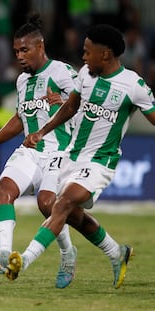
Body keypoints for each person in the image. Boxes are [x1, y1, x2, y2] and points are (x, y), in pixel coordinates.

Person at [10, 24, 155, 289]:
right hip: (70, 155)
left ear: (106, 54)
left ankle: (24, 259)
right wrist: (42, 131)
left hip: (100, 161)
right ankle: (116, 253)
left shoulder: (133, 85)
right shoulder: (85, 76)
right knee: (64, 210)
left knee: (63, 203)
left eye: (88, 52)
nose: (84, 57)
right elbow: (70, 107)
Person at [0, 14, 78, 289]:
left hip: (58, 151)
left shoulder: (62, 72)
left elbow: (83, 105)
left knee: (48, 205)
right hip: (29, 150)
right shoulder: (23, 81)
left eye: (25, 50)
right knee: (2, 191)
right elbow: (19, 119)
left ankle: (67, 253)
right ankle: (4, 254)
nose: (20, 56)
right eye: (16, 51)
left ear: (40, 46)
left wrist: (64, 101)